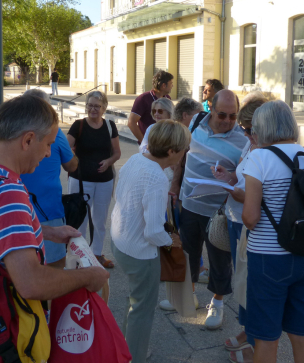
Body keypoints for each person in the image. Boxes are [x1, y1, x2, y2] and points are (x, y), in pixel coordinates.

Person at [0, 95, 109, 312]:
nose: (48, 153)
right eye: (48, 144)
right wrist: (88, 276)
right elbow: (31, 283)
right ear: (28, 140)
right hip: (8, 327)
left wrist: (45, 231)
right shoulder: (8, 191)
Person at [240, 100, 304, 363]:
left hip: (269, 259)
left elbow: (251, 218)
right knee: (303, 331)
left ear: (260, 129)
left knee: (267, 336)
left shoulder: (258, 158)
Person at [110, 120, 190, 363]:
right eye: (184, 148)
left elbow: (120, 195)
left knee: (136, 300)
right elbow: (153, 232)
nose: (185, 153)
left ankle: (128, 348)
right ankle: (134, 355)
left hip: (120, 241)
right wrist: (172, 241)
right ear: (171, 151)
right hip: (139, 253)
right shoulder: (157, 177)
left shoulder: (137, 159)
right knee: (143, 309)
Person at [178, 89, 249, 329]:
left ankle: (217, 304)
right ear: (209, 107)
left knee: (219, 260)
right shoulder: (196, 121)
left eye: (233, 116)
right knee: (188, 253)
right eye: (222, 115)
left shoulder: (244, 140)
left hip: (218, 213)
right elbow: (184, 155)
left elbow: (245, 179)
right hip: (189, 204)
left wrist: (230, 177)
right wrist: (174, 186)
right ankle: (188, 296)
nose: (228, 121)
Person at [211, 96, 267, 360]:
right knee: (242, 279)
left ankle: (255, 341)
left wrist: (235, 192)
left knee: (251, 282)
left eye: (246, 128)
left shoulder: (266, 151)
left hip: (249, 222)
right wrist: (228, 177)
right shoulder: (250, 144)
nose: (243, 133)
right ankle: (249, 330)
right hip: (236, 219)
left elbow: (260, 196)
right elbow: (241, 178)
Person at [20, 89, 78, 269]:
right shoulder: (57, 133)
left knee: (26, 266)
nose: (47, 153)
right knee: (53, 266)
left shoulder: (14, 133)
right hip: (48, 210)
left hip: (24, 210)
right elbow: (71, 166)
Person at [67, 91, 121, 268]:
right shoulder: (78, 125)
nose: (93, 109)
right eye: (90, 105)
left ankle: (97, 254)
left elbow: (117, 152)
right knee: (80, 220)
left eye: (97, 106)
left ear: (104, 108)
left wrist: (108, 162)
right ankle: (78, 255)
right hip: (80, 180)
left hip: (104, 180)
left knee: (100, 219)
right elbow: (66, 148)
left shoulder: (110, 125)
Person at [128, 70, 174, 144]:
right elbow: (131, 122)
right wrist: (144, 142)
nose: (172, 86)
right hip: (148, 146)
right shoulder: (143, 99)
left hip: (164, 143)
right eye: (171, 83)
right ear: (163, 85)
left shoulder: (167, 98)